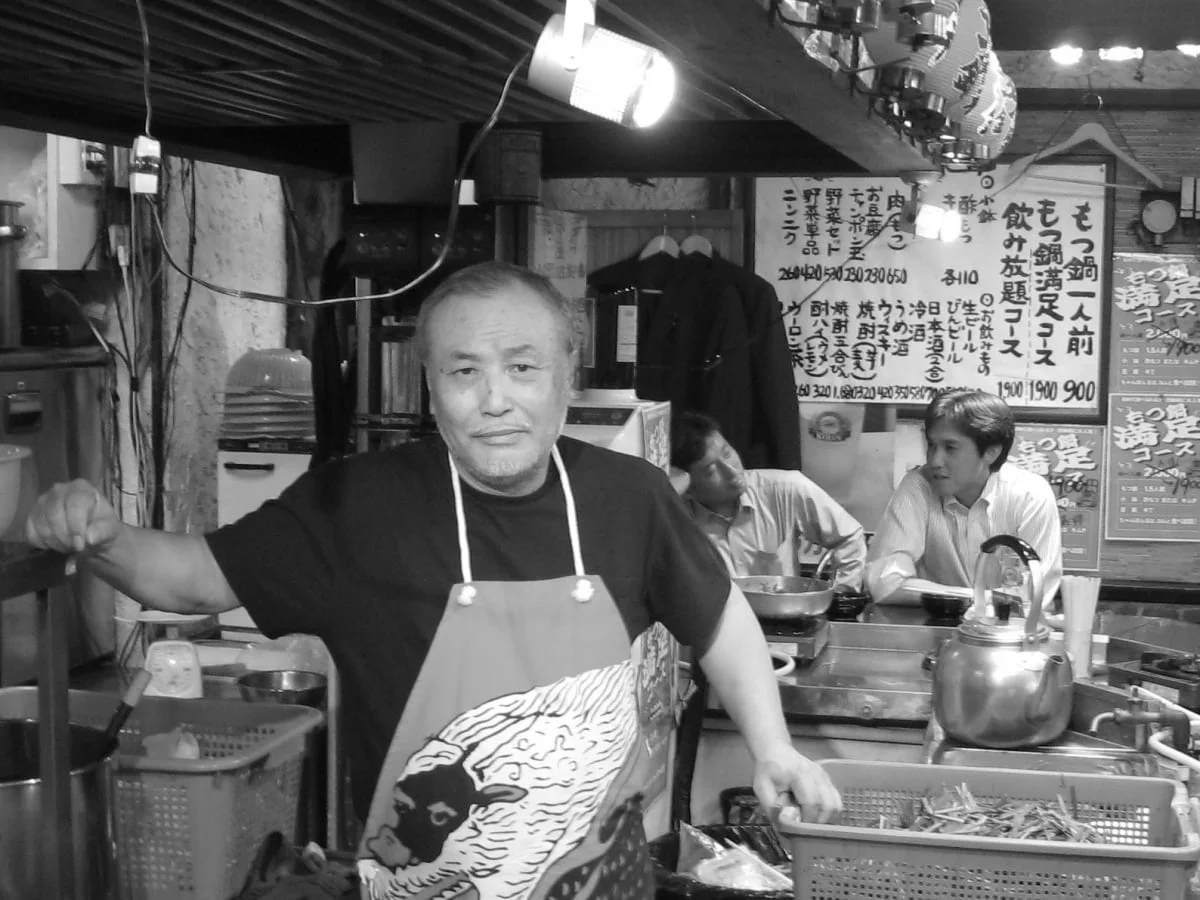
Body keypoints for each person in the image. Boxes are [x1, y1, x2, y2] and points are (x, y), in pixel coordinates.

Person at [25, 261, 840, 900]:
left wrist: (772, 747)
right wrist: (99, 534)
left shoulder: (630, 498)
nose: (496, 400)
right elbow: (195, 578)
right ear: (430, 389)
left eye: (522, 368)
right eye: (464, 373)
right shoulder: (358, 505)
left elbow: (720, 615)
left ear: (565, 377)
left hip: (601, 882)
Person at [865, 389, 1063, 607]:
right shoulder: (918, 486)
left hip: (1007, 634)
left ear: (991, 452)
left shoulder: (1030, 496)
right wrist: (978, 598)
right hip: (934, 631)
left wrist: (953, 598)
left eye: (950, 448)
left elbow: (1034, 596)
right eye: (931, 445)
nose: (935, 460)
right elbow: (884, 583)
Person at [672, 411, 867, 590]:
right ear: (687, 483)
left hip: (787, 619)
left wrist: (840, 596)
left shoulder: (784, 488)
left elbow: (849, 537)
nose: (731, 471)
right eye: (711, 470)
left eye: (727, 453)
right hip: (718, 624)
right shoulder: (674, 517)